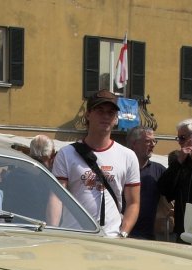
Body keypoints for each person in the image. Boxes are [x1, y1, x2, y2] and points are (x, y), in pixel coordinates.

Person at [50, 90, 140, 237]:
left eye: (110, 113)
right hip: (74, 235)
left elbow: (133, 203)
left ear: (116, 118)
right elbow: (56, 197)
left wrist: (123, 233)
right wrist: (53, 231)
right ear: (88, 114)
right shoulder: (66, 154)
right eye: (100, 111)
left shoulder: (128, 156)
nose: (105, 116)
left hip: (111, 238)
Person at [157, 118, 192, 242]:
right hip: (183, 229)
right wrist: (178, 163)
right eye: (178, 138)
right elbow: (164, 189)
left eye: (182, 138)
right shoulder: (181, 162)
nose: (179, 142)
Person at [126, 126, 167, 240]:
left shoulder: (159, 170)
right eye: (148, 141)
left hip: (148, 237)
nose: (153, 144)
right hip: (120, 233)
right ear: (134, 144)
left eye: (154, 141)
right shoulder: (121, 167)